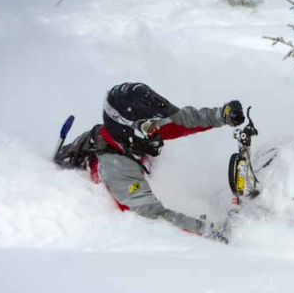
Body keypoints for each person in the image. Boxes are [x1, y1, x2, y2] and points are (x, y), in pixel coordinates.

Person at [55, 82, 245, 241]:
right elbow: (154, 217)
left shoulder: (138, 131)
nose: (156, 130)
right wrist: (211, 232)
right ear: (125, 128)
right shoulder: (116, 170)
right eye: (150, 126)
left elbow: (180, 121)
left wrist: (221, 115)